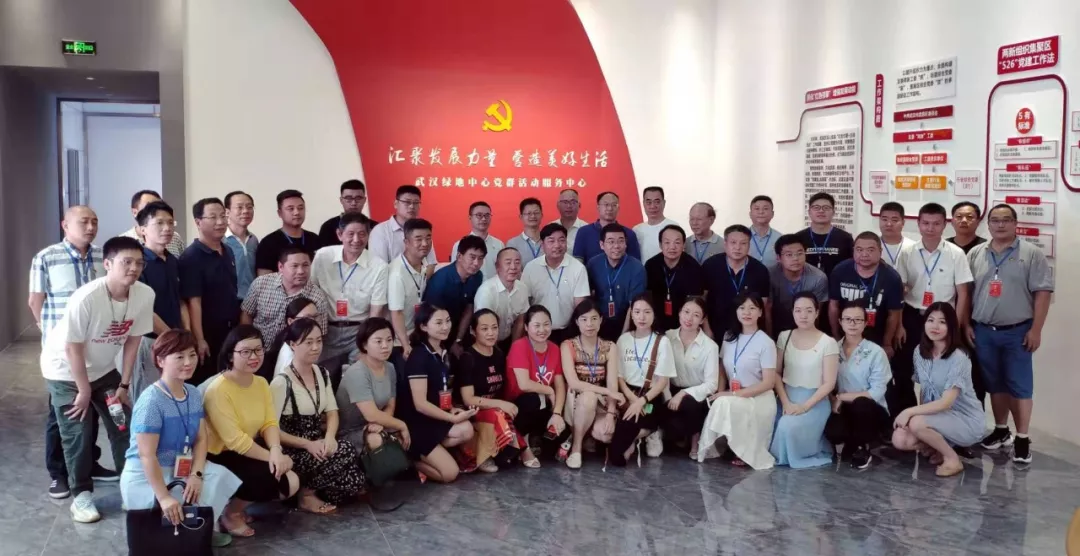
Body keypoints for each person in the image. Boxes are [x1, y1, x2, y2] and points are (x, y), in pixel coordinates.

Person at [41, 236, 154, 522]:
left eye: (138, 263)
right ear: (107, 264)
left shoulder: (144, 294)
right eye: (126, 262)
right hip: (65, 372)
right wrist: (83, 391)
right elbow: (72, 347)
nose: (133, 268)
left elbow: (134, 340)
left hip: (104, 372)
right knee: (78, 433)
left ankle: (131, 485)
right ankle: (81, 495)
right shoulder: (87, 297)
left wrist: (124, 384)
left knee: (123, 424)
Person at [120, 330, 241, 548]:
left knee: (218, 476)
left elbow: (201, 439)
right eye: (179, 357)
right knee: (169, 509)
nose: (188, 362)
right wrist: (164, 497)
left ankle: (200, 529)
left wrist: (196, 473)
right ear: (160, 361)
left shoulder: (192, 393)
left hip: (180, 467)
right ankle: (181, 535)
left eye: (192, 355)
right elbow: (147, 456)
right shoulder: (151, 401)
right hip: (147, 473)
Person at [29, 205, 114, 497]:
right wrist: (51, 333)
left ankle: (89, 463)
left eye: (95, 222)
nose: (90, 227)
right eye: (83, 222)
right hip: (63, 354)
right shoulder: (46, 257)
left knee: (91, 409)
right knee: (62, 412)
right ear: (65, 225)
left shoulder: (104, 257)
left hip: (97, 348)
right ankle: (59, 473)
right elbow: (35, 301)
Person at [969, 204, 1053, 464]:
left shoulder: (1031, 254)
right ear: (988, 225)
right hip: (984, 331)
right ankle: (1001, 429)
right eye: (995, 220)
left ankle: (1023, 438)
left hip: (1018, 332)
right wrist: (966, 325)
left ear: (1016, 223)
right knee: (994, 383)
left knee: (1020, 386)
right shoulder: (977, 253)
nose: (1000, 224)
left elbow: (1042, 293)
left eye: (1006, 220)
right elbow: (965, 292)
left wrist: (1036, 330)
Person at [203, 325, 300, 537]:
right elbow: (235, 441)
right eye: (246, 352)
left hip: (249, 448)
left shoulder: (261, 383)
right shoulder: (218, 390)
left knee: (291, 481)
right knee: (269, 475)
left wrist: (276, 450)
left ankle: (240, 504)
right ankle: (231, 513)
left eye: (258, 350)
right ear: (231, 355)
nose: (254, 357)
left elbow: (269, 423)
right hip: (220, 454)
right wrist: (273, 458)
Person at [270, 319, 364, 511]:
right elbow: (271, 430)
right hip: (295, 449)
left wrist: (329, 437)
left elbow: (332, 412)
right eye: (308, 342)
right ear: (293, 344)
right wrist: (307, 444)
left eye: (319, 341)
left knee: (355, 481)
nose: (315, 347)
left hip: (319, 444)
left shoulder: (322, 373)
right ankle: (306, 495)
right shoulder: (281, 382)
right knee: (346, 451)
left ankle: (316, 488)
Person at [893, 203, 972, 418]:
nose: (930, 228)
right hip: (912, 316)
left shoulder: (955, 254)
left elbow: (963, 293)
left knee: (940, 371)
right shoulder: (907, 253)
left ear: (945, 225)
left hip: (942, 319)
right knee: (905, 371)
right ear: (918, 224)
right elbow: (900, 291)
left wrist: (955, 326)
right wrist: (899, 324)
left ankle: (942, 420)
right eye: (926, 223)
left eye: (936, 224)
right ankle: (908, 417)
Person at [891, 303, 984, 477]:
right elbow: (924, 389)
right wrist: (919, 415)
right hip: (937, 417)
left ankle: (952, 459)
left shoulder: (959, 358)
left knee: (916, 423)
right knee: (900, 439)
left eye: (942, 322)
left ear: (951, 327)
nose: (935, 326)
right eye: (931, 320)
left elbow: (946, 403)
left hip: (965, 420)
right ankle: (939, 447)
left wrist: (909, 413)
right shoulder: (919, 351)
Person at [396, 303, 477, 483]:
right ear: (424, 326)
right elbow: (420, 404)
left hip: (434, 418)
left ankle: (431, 453)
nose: (445, 327)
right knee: (450, 474)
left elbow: (440, 390)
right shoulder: (418, 356)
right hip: (418, 423)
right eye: (439, 323)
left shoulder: (442, 352)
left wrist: (452, 409)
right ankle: (410, 460)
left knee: (467, 429)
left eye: (447, 321)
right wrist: (450, 418)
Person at [698, 294, 778, 469]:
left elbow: (768, 383)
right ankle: (729, 446)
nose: (746, 312)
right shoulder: (729, 336)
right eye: (742, 308)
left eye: (752, 308)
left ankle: (741, 450)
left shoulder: (766, 342)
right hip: (734, 393)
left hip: (759, 397)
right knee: (720, 401)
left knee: (725, 402)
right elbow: (721, 366)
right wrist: (720, 391)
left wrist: (731, 394)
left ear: (760, 312)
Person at [310, 212, 388, 381]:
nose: (356, 240)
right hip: (326, 331)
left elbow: (375, 312)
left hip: (358, 332)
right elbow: (311, 294)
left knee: (361, 379)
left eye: (362, 234)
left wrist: (365, 344)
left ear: (368, 235)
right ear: (340, 234)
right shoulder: (323, 256)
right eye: (350, 234)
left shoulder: (379, 266)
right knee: (317, 378)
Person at [770, 293, 838, 469]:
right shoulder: (784, 336)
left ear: (817, 312)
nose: (803, 315)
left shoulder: (828, 342)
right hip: (786, 398)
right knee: (767, 424)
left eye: (809, 310)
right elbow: (776, 373)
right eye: (798, 310)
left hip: (814, 402)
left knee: (787, 426)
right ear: (792, 312)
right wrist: (786, 403)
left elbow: (829, 383)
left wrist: (804, 407)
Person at [179, 197, 241, 385]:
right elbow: (193, 302)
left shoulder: (227, 250)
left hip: (230, 329)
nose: (220, 222)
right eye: (213, 217)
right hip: (208, 333)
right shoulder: (191, 257)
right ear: (198, 222)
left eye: (223, 216)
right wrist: (199, 339)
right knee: (208, 384)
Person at [458, 310, 527, 472]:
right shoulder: (468, 358)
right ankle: (483, 456)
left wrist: (505, 404)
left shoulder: (499, 354)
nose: (491, 333)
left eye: (494, 328)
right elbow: (468, 399)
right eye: (484, 329)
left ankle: (514, 449)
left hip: (494, 407)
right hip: (472, 411)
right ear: (473, 331)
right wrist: (500, 404)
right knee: (496, 413)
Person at [132, 201, 187, 402]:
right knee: (150, 398)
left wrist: (185, 335)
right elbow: (143, 309)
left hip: (174, 341)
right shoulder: (138, 263)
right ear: (142, 229)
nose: (167, 228)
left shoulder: (172, 260)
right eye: (160, 223)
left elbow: (181, 301)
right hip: (150, 341)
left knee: (172, 395)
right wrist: (171, 337)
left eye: (171, 223)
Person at [824, 304, 891, 469]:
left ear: (865, 323)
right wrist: (832, 399)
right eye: (848, 319)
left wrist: (841, 397)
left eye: (858, 320)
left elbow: (877, 391)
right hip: (842, 407)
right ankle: (850, 442)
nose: (852, 323)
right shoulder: (832, 349)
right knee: (833, 432)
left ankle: (863, 447)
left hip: (870, 408)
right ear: (840, 322)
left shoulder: (876, 352)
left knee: (861, 404)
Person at [558, 300, 623, 469]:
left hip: (601, 401)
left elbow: (612, 384)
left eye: (594, 319)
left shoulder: (610, 347)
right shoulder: (568, 345)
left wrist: (610, 413)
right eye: (584, 319)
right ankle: (576, 448)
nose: (589, 324)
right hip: (575, 400)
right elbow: (574, 383)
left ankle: (584, 435)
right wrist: (606, 391)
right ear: (576, 322)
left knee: (606, 434)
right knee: (588, 397)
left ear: (601, 320)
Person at [611, 295, 675, 465]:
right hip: (628, 393)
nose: (642, 317)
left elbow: (662, 382)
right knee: (617, 431)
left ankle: (652, 431)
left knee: (620, 448)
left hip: (651, 396)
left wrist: (641, 401)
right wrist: (632, 398)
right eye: (637, 312)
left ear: (654, 314)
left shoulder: (662, 341)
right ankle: (635, 437)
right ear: (631, 314)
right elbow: (619, 376)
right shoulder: (624, 339)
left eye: (647, 312)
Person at [336, 317, 411, 457]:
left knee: (406, 437)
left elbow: (390, 405)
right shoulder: (357, 372)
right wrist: (401, 425)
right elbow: (370, 414)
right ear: (364, 345)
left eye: (389, 340)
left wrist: (381, 424)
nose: (385, 346)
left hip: (375, 425)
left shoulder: (390, 367)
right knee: (377, 440)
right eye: (378, 341)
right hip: (351, 431)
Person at [506, 306, 568, 467]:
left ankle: (537, 438)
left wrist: (557, 413)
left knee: (560, 435)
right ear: (526, 327)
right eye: (537, 325)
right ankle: (523, 444)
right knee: (532, 399)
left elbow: (560, 385)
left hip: (543, 404)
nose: (542, 330)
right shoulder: (520, 346)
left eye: (546, 324)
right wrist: (548, 390)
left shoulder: (554, 348)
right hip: (518, 405)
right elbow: (524, 384)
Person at [828, 232, 904, 353]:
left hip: (877, 336)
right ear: (853, 251)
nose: (864, 254)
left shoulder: (892, 278)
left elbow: (893, 314)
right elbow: (833, 306)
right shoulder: (840, 271)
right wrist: (836, 337)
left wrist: (887, 343)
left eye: (870, 250)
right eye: (859, 250)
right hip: (846, 335)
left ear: (880, 251)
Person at [662, 297, 718, 459]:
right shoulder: (667, 337)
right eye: (686, 312)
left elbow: (712, 384)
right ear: (679, 313)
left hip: (696, 395)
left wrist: (683, 393)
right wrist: (668, 397)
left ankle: (695, 439)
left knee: (692, 406)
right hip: (669, 389)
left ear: (702, 320)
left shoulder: (710, 346)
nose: (689, 318)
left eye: (696, 315)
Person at [242, 246, 331, 346]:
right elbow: (247, 314)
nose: (301, 271)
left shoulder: (317, 298)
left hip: (293, 352)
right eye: (295, 266)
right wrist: (248, 342)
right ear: (281, 267)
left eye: (305, 265)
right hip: (258, 349)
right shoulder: (261, 284)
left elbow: (320, 333)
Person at [521, 223, 590, 345]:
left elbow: (580, 306)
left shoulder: (578, 268)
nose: (557, 245)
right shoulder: (531, 268)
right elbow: (525, 302)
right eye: (551, 241)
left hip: (569, 331)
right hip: (538, 331)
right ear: (542, 245)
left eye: (561, 240)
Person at [702, 225, 772, 338]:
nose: (738, 247)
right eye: (733, 242)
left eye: (743, 243)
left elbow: (762, 306)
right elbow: (702, 300)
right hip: (715, 329)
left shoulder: (760, 270)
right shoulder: (710, 265)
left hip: (748, 331)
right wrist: (707, 329)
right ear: (725, 244)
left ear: (749, 245)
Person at [423, 235, 486, 354]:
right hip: (437, 331)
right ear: (459, 256)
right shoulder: (440, 281)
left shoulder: (477, 276)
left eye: (480, 258)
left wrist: (458, 340)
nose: (476, 263)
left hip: (460, 330)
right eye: (472, 257)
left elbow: (469, 308)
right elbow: (432, 319)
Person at [586, 223, 647, 341]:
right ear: (602, 245)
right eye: (611, 241)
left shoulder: (637, 268)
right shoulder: (593, 264)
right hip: (598, 321)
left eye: (621, 241)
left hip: (627, 321)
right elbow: (588, 298)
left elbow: (634, 306)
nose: (616, 246)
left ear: (626, 244)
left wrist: (623, 337)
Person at [388, 218, 435, 368]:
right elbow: (396, 313)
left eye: (428, 238)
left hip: (416, 336)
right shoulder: (397, 273)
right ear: (406, 242)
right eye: (418, 239)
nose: (425, 243)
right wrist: (405, 345)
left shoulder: (424, 265)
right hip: (400, 343)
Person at [645, 224, 705, 332]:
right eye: (667, 242)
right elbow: (647, 298)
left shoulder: (693, 268)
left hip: (683, 324)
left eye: (677, 242)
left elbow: (695, 302)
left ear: (683, 245)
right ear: (660, 245)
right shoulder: (651, 265)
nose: (672, 247)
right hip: (655, 322)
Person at [768, 234, 828, 334]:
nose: (795, 258)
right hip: (776, 326)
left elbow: (816, 313)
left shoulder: (818, 277)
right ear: (778, 258)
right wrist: (769, 337)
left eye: (800, 253)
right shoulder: (769, 275)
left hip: (806, 328)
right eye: (789, 255)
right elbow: (767, 309)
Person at [474, 247, 530, 352]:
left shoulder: (522, 288)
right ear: (497, 267)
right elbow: (483, 327)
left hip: (507, 339)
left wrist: (514, 349)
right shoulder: (486, 291)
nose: (513, 267)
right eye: (508, 263)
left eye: (517, 262)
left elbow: (520, 320)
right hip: (483, 342)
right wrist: (495, 353)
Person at [255, 190, 321, 275]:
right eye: (291, 209)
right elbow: (264, 279)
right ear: (280, 213)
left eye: (300, 208)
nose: (296, 212)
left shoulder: (315, 239)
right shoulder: (268, 243)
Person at [369, 185, 438, 265]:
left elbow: (431, 264)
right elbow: (378, 267)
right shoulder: (380, 231)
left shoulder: (422, 229)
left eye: (416, 203)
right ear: (396, 204)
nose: (412, 206)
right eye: (407, 202)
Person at [795, 192, 855, 277]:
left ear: (833, 212)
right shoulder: (798, 238)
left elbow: (851, 266)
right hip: (805, 284)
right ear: (809, 212)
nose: (821, 211)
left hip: (835, 283)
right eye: (816, 207)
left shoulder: (845, 238)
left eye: (826, 208)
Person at [572, 191, 642, 263]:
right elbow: (578, 262)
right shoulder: (584, 232)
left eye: (614, 205)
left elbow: (635, 263)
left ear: (618, 208)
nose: (610, 208)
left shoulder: (629, 234)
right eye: (606, 204)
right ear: (598, 207)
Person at [262, 296, 319, 380]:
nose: (313, 322)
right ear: (291, 321)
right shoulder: (289, 355)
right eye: (307, 318)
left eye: (315, 317)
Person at [121, 190, 186, 257]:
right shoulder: (123, 242)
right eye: (150, 206)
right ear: (135, 212)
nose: (157, 210)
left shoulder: (175, 238)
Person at [451, 201, 504, 281]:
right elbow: (455, 273)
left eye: (487, 215)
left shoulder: (499, 244)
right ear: (470, 218)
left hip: (494, 288)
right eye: (479, 215)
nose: (483, 219)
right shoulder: (459, 245)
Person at [223, 191, 259, 300]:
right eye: (239, 207)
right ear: (227, 212)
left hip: (252, 301)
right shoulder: (221, 240)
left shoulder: (253, 239)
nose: (245, 211)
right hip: (228, 300)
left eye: (249, 207)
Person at [632, 186, 678, 261]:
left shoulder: (673, 227)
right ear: (643, 204)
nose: (653, 206)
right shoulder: (636, 230)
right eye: (649, 202)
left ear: (664, 203)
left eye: (657, 202)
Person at [318, 179, 367, 246]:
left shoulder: (374, 227)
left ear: (364, 200)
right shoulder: (328, 227)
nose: (353, 203)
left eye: (358, 198)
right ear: (341, 200)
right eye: (348, 198)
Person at [506, 197, 545, 267]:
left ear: (542, 215)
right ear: (521, 217)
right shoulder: (512, 244)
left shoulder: (549, 241)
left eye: (536, 213)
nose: (533, 216)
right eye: (528, 213)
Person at [748, 195, 783, 268]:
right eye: (757, 208)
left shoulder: (780, 238)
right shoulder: (741, 237)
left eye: (765, 208)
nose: (761, 212)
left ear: (772, 214)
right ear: (750, 214)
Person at [878, 202, 916, 269]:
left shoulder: (913, 247)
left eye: (894, 220)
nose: (889, 224)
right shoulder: (871, 246)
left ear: (903, 223)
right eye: (884, 219)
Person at [553, 189, 588, 254]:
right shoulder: (550, 227)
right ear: (558, 205)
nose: (569, 206)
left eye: (573, 202)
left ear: (579, 205)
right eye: (565, 202)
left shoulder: (586, 229)